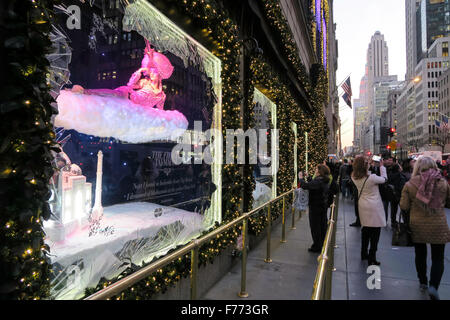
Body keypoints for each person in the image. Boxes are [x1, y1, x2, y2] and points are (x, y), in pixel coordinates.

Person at [399, 156, 450, 300]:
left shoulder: (410, 184)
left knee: (420, 254)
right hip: (438, 225)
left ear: (418, 167)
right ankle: (434, 286)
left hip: (417, 224)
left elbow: (404, 206)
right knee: (438, 258)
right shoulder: (443, 183)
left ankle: (423, 281)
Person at [351, 155, 387, 266]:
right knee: (375, 233)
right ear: (365, 165)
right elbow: (384, 179)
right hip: (374, 206)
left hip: (362, 204)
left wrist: (368, 166)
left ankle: (364, 253)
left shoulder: (354, 176)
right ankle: (372, 257)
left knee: (365, 230)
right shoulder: (372, 178)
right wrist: (382, 167)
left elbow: (365, 173)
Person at [298, 164, 331, 253]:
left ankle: (317, 246)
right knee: (321, 226)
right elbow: (313, 185)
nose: (315, 171)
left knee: (315, 227)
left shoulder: (318, 181)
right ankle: (322, 243)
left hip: (316, 207)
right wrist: (308, 177)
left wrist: (300, 178)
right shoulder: (323, 180)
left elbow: (306, 186)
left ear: (320, 171)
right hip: (322, 206)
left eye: (316, 169)